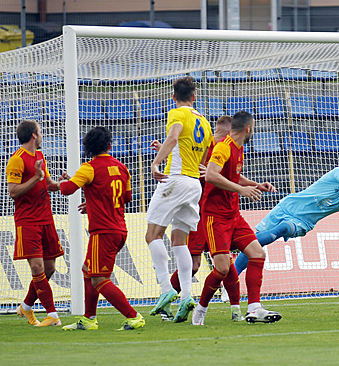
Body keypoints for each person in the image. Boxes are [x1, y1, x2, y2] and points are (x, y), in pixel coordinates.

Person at [191, 110, 280, 325]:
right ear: (248, 128)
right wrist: (241, 190)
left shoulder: (238, 148)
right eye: (254, 127)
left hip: (233, 215)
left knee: (257, 254)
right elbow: (212, 175)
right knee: (222, 268)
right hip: (215, 217)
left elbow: (231, 176)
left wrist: (254, 185)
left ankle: (254, 308)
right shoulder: (223, 147)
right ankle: (201, 308)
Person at [153, 115, 242, 321]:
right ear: (225, 132)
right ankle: (168, 301)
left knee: (225, 262)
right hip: (198, 210)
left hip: (217, 213)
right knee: (194, 266)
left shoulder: (222, 147)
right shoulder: (209, 144)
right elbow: (186, 162)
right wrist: (166, 154)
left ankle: (235, 308)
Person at [233, 159, 339, 276]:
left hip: (302, 222)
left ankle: (238, 243)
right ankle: (230, 280)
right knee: (256, 243)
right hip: (288, 205)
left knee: (283, 228)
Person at [59, 126, 145, 331]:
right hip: (119, 228)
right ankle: (89, 319)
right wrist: (94, 202)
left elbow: (68, 190)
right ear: (109, 144)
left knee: (99, 278)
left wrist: (61, 181)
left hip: (103, 231)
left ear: (88, 147)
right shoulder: (122, 167)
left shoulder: (89, 168)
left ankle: (134, 316)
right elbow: (126, 198)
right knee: (88, 271)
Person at [145, 76, 213, 323]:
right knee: (179, 241)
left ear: (174, 97)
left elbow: (174, 138)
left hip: (175, 179)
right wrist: (166, 149)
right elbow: (198, 155)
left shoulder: (176, 114)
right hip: (194, 184)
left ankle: (165, 290)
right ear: (194, 97)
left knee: (152, 235)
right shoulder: (204, 123)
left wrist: (156, 162)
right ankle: (186, 296)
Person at [6, 120, 68, 327]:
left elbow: (48, 184)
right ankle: (52, 314)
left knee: (49, 268)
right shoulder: (17, 160)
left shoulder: (40, 157)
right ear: (34, 135)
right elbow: (13, 191)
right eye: (40, 132)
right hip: (27, 221)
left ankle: (25, 306)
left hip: (46, 218)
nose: (42, 136)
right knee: (37, 266)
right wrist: (36, 178)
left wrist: (66, 184)